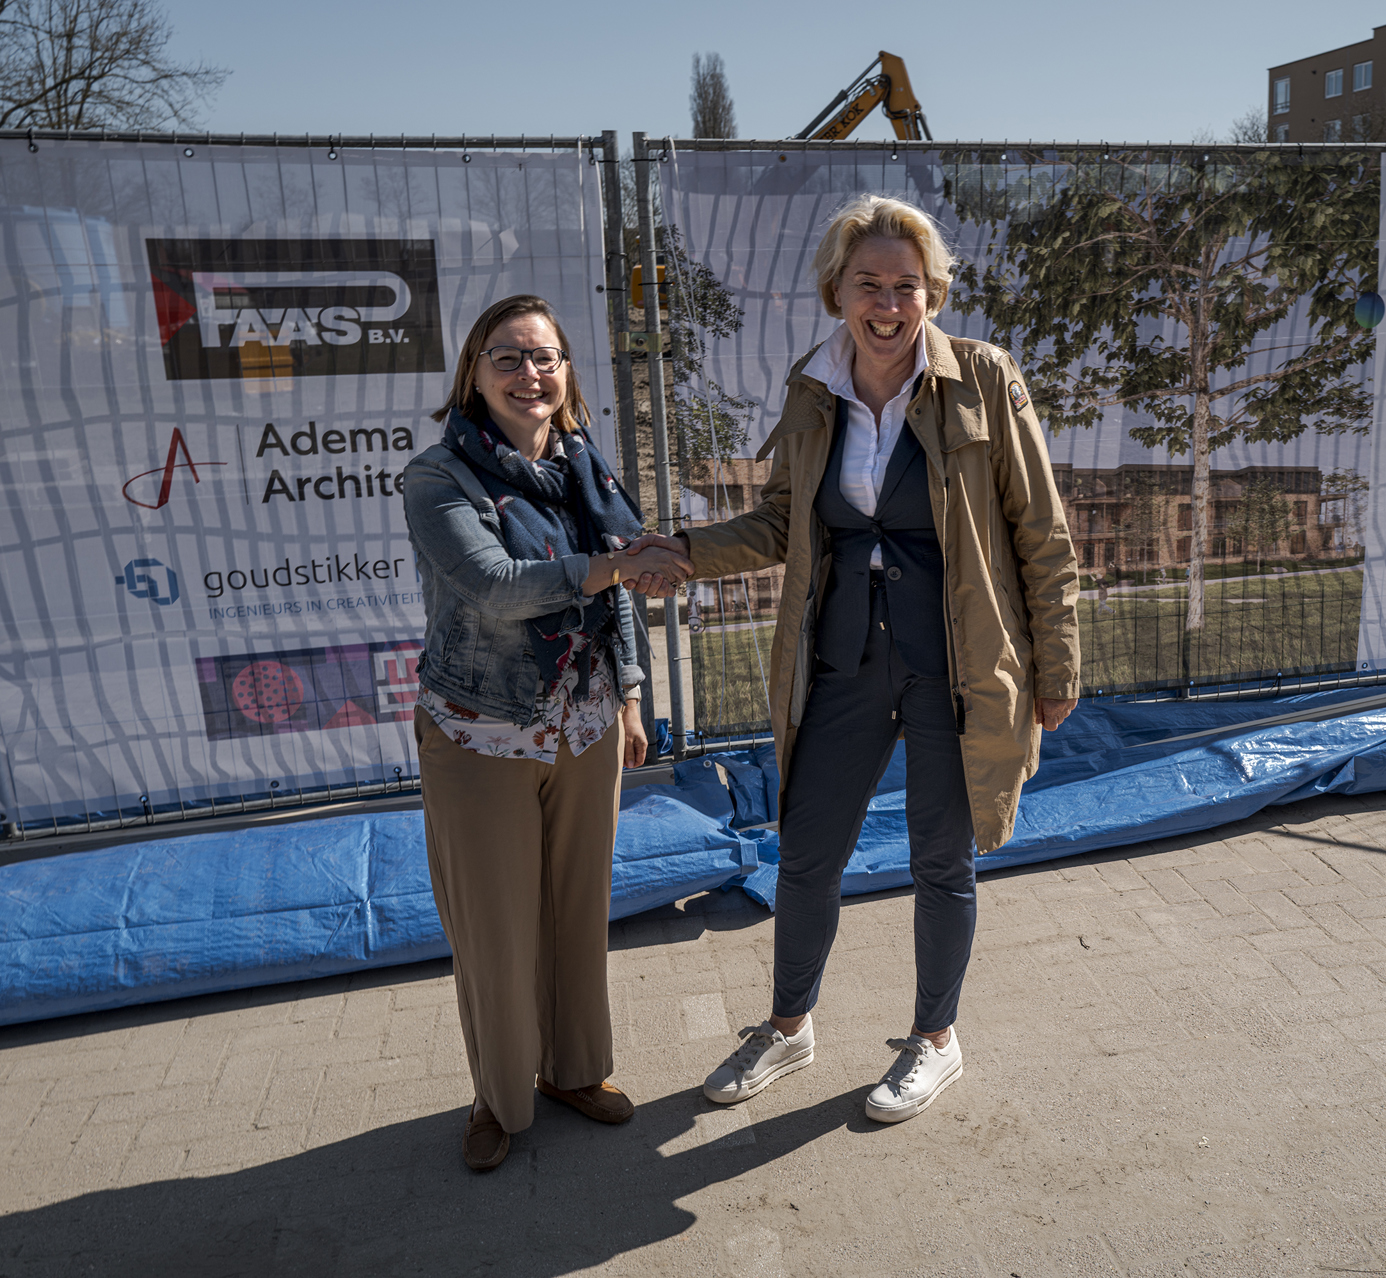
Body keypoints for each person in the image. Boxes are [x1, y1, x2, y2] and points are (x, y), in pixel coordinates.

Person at [629, 195, 1080, 1124]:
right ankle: (788, 1027)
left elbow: (1044, 535)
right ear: (837, 289)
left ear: (934, 293)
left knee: (939, 861)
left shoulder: (987, 380)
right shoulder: (813, 388)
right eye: (868, 283)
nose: (887, 303)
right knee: (807, 851)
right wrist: (681, 549)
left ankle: (934, 1042)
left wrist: (1058, 668)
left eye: (906, 286)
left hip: (956, 663)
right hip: (840, 658)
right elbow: (777, 522)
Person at [403, 294, 691, 1171]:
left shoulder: (586, 467)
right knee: (496, 932)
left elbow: (621, 592)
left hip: (587, 727)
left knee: (574, 916)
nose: (531, 374)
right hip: (481, 737)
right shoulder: (438, 477)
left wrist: (633, 695)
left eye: (546, 358)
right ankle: (499, 1097)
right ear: (474, 374)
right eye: (509, 358)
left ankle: (574, 1072)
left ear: (566, 372)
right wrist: (617, 564)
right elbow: (497, 584)